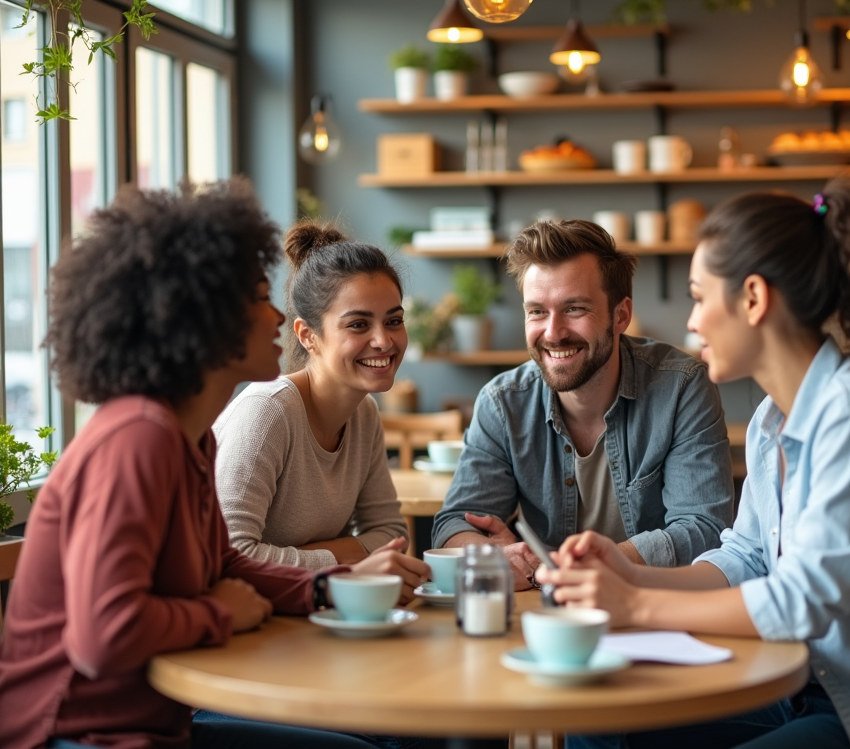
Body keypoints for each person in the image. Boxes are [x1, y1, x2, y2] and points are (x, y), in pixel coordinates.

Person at [540, 180, 850, 749]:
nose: (692, 322)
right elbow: (746, 556)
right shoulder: (769, 422)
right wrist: (629, 573)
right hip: (805, 691)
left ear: (753, 299)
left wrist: (634, 605)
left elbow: (801, 602)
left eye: (701, 297)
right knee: (601, 722)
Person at [0, 180, 388, 749]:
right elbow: (102, 637)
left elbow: (224, 564)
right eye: (259, 297)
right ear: (202, 318)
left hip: (155, 724)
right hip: (73, 735)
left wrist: (334, 587)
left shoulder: (189, 437)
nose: (279, 316)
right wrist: (218, 615)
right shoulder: (137, 438)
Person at [432, 219, 734, 589]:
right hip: (546, 614)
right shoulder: (501, 403)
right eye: (537, 311)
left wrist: (581, 564)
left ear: (620, 315)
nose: (553, 332)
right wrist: (495, 554)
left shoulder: (681, 387)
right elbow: (453, 526)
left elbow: (705, 529)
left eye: (574, 309)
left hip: (653, 606)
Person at [213, 222, 428, 604]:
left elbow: (390, 532)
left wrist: (336, 562)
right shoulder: (268, 413)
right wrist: (341, 561)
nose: (384, 340)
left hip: (300, 619)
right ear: (308, 336)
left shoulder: (364, 414)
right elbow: (229, 554)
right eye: (358, 324)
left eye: (394, 320)